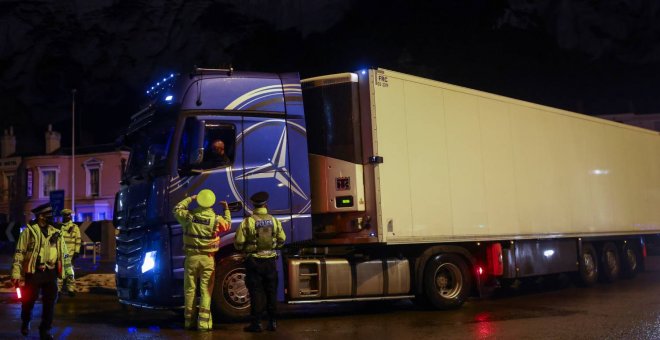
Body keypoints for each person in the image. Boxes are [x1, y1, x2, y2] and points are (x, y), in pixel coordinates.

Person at [11, 203, 75, 340]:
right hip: (33, 273)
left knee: (50, 303)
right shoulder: (29, 232)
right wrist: (16, 274)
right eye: (49, 215)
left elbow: (64, 255)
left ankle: (45, 330)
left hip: (50, 273)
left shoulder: (56, 233)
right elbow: (19, 254)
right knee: (28, 301)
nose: (52, 218)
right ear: (41, 217)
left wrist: (69, 276)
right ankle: (26, 321)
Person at [173, 189, 231, 331]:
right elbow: (228, 225)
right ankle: (203, 324)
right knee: (206, 291)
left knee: (189, 290)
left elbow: (176, 209)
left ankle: (189, 321)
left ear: (199, 201)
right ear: (211, 203)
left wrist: (190, 199)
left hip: (191, 259)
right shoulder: (216, 220)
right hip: (207, 259)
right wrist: (226, 209)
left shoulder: (188, 217)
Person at [234, 191, 286, 333]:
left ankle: (256, 324)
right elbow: (282, 239)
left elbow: (238, 242)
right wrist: (274, 247)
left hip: (254, 262)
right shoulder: (274, 221)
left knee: (256, 292)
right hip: (270, 262)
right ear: (266, 205)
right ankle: (273, 322)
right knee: (271, 291)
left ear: (253, 205)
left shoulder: (248, 221)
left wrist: (243, 249)